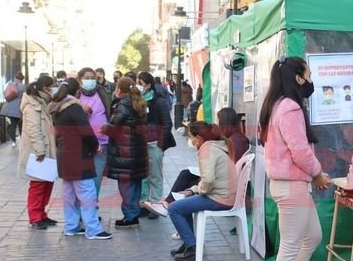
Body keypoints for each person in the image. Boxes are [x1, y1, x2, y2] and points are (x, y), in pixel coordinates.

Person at [259, 55, 331, 261]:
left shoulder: (278, 104)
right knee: (290, 246)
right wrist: (317, 173)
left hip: (292, 185)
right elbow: (299, 150)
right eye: (308, 75)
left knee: (313, 236)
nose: (311, 80)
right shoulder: (289, 107)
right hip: (291, 186)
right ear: (298, 79)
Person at [143, 107, 250, 219]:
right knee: (186, 175)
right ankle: (168, 203)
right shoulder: (232, 139)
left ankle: (168, 204)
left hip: (222, 186)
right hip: (222, 182)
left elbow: (218, 174)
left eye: (219, 122)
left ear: (225, 123)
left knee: (185, 182)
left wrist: (196, 187)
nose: (217, 125)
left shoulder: (235, 141)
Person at [49, 78, 111, 240]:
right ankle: (93, 229)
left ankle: (71, 226)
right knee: (87, 193)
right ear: (77, 92)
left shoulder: (58, 107)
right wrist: (95, 145)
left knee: (69, 194)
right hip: (78, 155)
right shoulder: (74, 108)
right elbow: (85, 130)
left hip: (64, 154)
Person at [168, 121, 237, 261]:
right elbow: (208, 179)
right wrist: (193, 190)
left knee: (174, 208)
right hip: (225, 195)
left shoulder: (207, 149)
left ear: (198, 138)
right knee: (183, 203)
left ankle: (192, 248)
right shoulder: (216, 145)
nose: (190, 141)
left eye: (190, 137)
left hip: (220, 198)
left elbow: (208, 180)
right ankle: (189, 242)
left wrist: (198, 191)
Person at [102, 77, 148, 229]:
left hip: (124, 151)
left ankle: (130, 217)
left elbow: (115, 125)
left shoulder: (123, 104)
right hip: (138, 151)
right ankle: (133, 214)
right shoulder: (139, 103)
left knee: (126, 185)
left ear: (119, 89)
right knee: (135, 184)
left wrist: (104, 128)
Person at [18, 75, 57, 229]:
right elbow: (33, 130)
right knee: (38, 185)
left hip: (47, 149)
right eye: (53, 86)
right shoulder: (32, 106)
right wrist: (40, 150)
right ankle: (34, 217)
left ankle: (41, 214)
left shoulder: (43, 103)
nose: (55, 89)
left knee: (47, 183)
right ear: (45, 88)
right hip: (38, 152)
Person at [137, 71, 176, 219]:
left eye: (140, 83)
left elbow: (167, 123)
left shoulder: (159, 101)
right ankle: (143, 204)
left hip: (154, 143)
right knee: (143, 177)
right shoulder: (137, 101)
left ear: (148, 85)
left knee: (155, 176)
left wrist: (161, 143)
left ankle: (155, 205)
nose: (138, 86)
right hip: (141, 144)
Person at [77, 67, 112, 197]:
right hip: (81, 144)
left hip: (102, 142)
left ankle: (92, 204)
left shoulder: (103, 93)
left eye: (93, 78)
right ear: (79, 79)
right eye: (86, 78)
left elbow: (110, 113)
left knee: (96, 178)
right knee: (82, 180)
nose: (90, 81)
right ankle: (84, 205)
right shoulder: (75, 95)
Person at [1, 71, 26, 146]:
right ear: (22, 79)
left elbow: (4, 93)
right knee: (21, 124)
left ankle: (13, 141)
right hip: (19, 107)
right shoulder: (23, 86)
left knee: (13, 124)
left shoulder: (9, 84)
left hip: (8, 107)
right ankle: (22, 140)